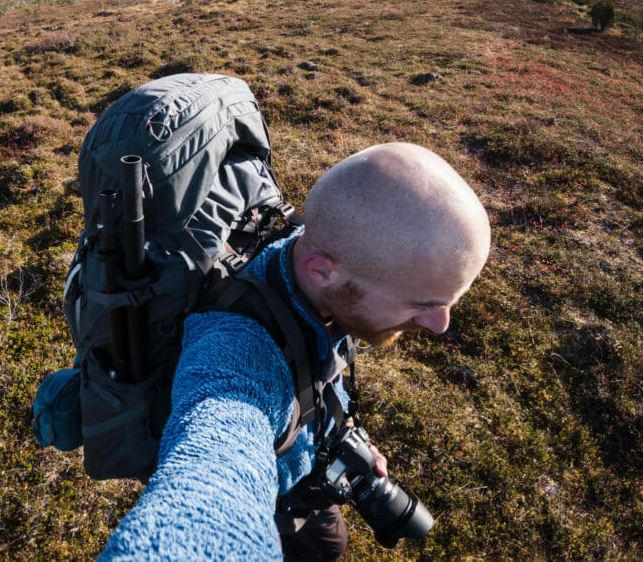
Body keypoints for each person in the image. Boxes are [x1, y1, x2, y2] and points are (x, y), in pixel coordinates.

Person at [100, 142, 492, 560]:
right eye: (423, 304)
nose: (440, 324)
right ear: (322, 271)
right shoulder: (235, 354)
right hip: (275, 499)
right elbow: (215, 473)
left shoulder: (317, 268)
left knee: (327, 544)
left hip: (309, 478)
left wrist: (338, 429)